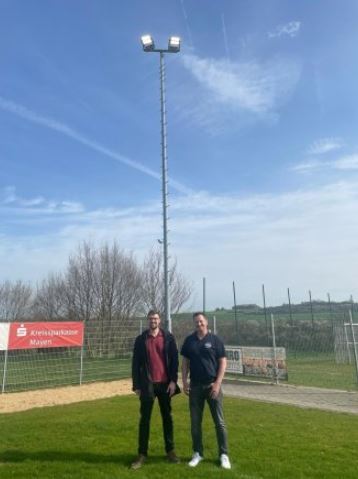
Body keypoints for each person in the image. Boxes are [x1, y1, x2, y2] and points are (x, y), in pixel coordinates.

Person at [181, 312, 231, 469]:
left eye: (201, 321)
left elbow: (223, 362)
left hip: (212, 387)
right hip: (195, 387)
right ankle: (197, 453)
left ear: (206, 322)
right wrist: (184, 381)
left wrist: (217, 383)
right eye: (196, 322)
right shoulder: (189, 341)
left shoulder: (215, 340)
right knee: (195, 423)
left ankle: (224, 455)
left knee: (219, 422)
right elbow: (185, 363)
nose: (199, 324)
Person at [131, 309, 180, 469]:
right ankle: (142, 454)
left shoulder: (168, 338)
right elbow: (135, 364)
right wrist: (136, 385)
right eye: (151, 318)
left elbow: (174, 361)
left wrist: (173, 381)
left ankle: (170, 451)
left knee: (168, 418)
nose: (153, 321)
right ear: (148, 321)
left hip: (165, 385)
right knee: (144, 420)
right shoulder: (141, 339)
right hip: (147, 385)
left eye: (156, 318)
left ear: (160, 321)